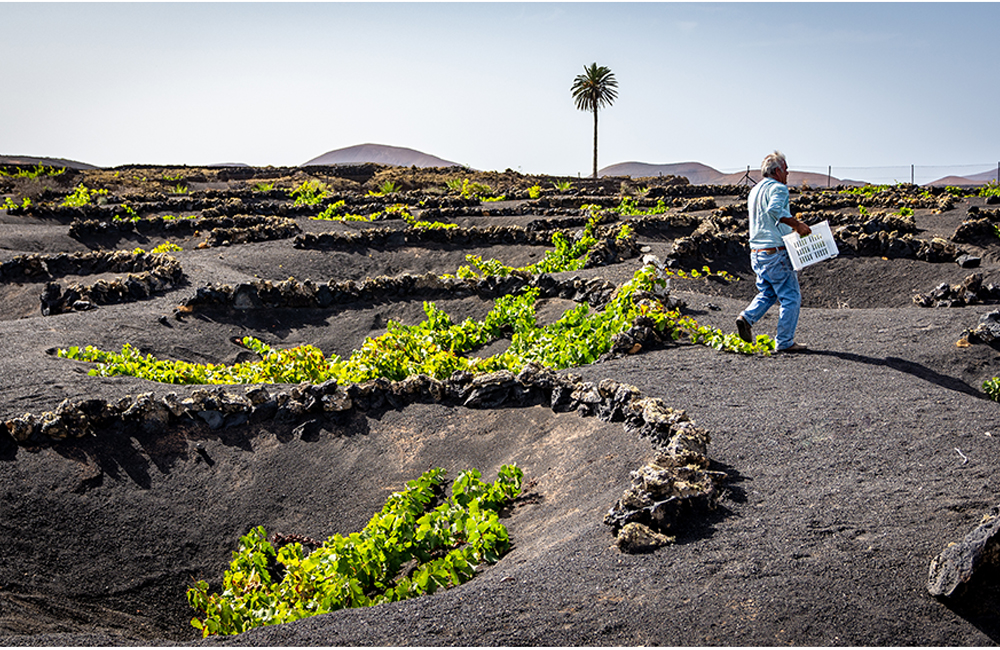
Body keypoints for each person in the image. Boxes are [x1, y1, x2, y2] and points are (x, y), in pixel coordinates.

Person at [735, 151, 812, 353]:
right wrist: (798, 225)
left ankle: (746, 317)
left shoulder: (755, 190)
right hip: (775, 252)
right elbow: (775, 210)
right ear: (777, 171)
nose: (787, 174)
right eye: (785, 170)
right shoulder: (778, 188)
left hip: (757, 252)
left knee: (768, 292)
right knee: (791, 296)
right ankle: (785, 342)